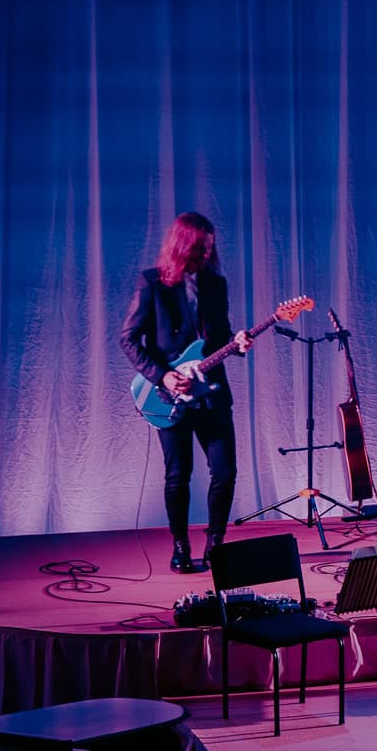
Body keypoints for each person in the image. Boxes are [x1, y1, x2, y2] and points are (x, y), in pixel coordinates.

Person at [119, 211, 252, 573]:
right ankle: (180, 546)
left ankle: (216, 544)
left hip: (211, 393)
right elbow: (128, 339)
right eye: (199, 249)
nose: (206, 255)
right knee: (178, 475)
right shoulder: (152, 283)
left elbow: (219, 337)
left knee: (225, 471)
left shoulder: (216, 284)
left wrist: (237, 343)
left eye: (210, 248)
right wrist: (162, 376)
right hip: (169, 396)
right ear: (182, 246)